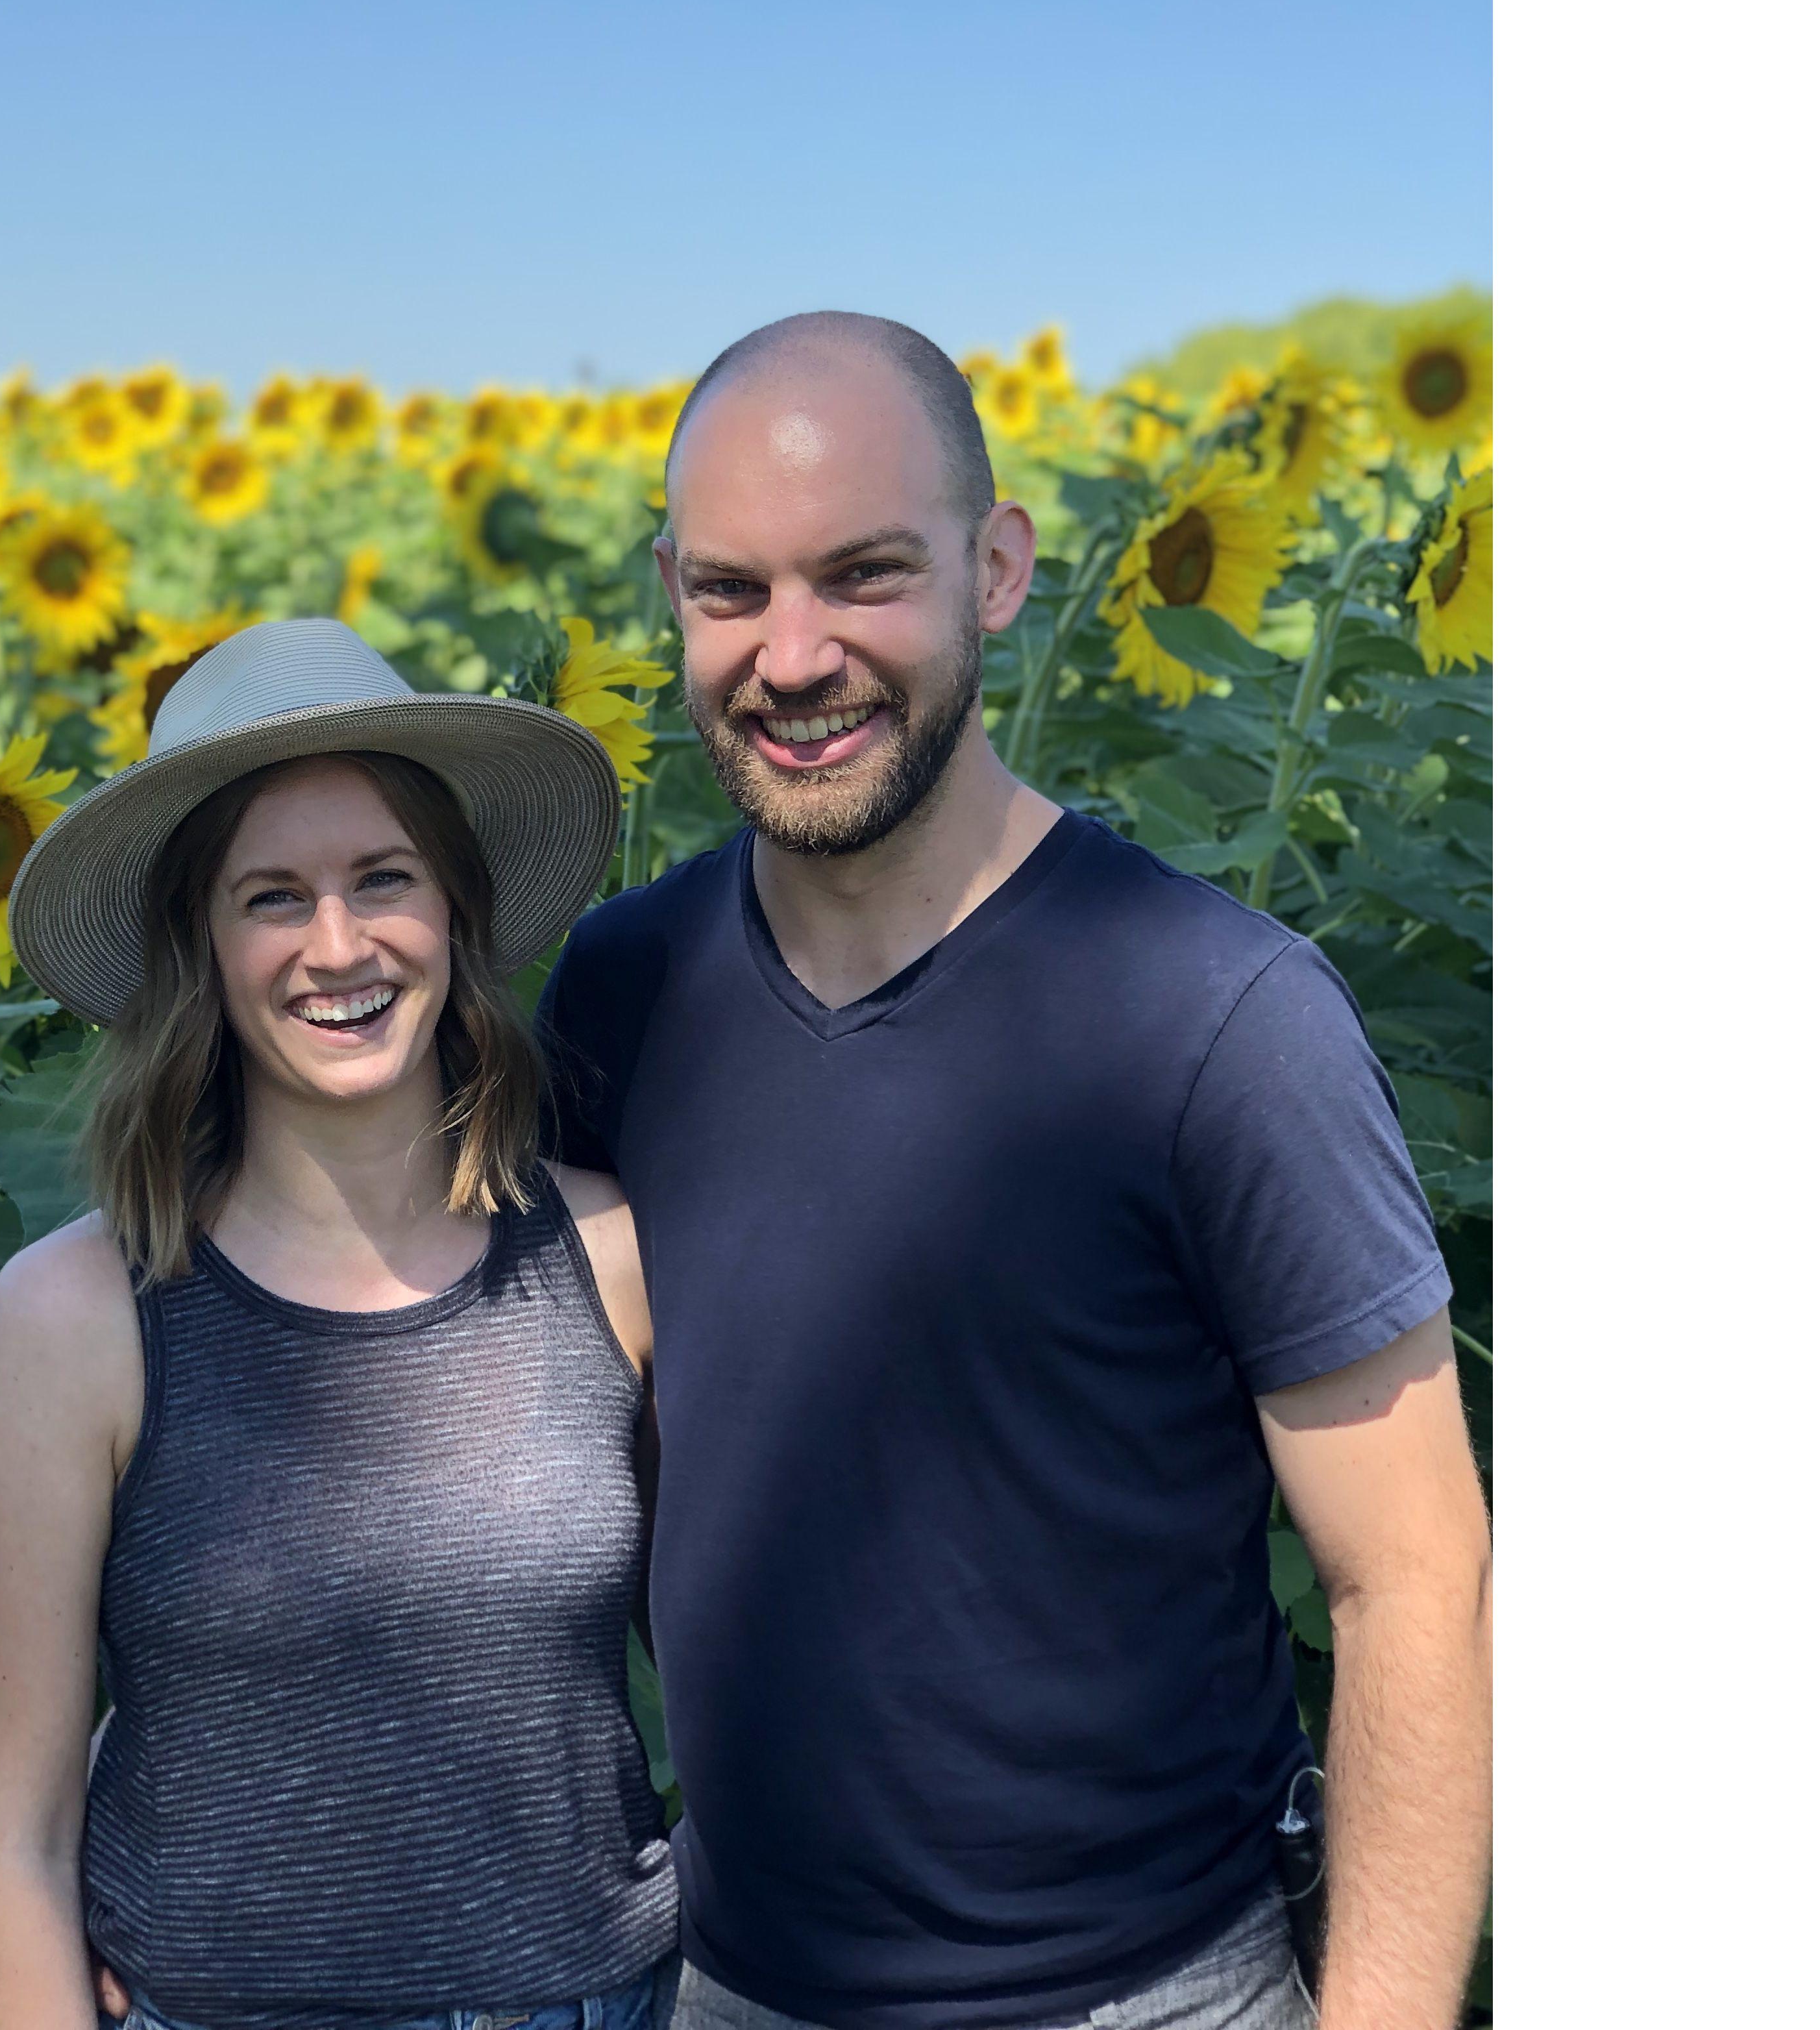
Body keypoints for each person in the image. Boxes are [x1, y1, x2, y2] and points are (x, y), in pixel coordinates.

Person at [537, 313, 1492, 2030]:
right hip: (739, 1980)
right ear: (670, 589)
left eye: (865, 576)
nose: (795, 654)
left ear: (996, 571)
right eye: (735, 592)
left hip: (1139, 1991)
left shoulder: (1216, 1019)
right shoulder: (618, 997)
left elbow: (1416, 1578)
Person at [0, 617, 681, 2030]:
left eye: (382, 880)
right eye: (272, 897)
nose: (338, 947)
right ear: (201, 950)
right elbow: (14, 1853)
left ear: (454, 911)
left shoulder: (610, 1259)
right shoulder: (77, 1322)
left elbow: (756, 1663)